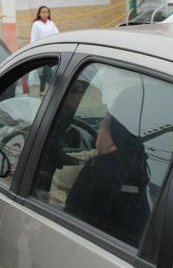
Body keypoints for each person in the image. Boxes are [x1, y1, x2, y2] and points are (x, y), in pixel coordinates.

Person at [65, 88, 151, 248]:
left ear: (117, 135)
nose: (99, 126)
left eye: (104, 123)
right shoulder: (139, 169)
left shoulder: (99, 171)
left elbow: (68, 221)